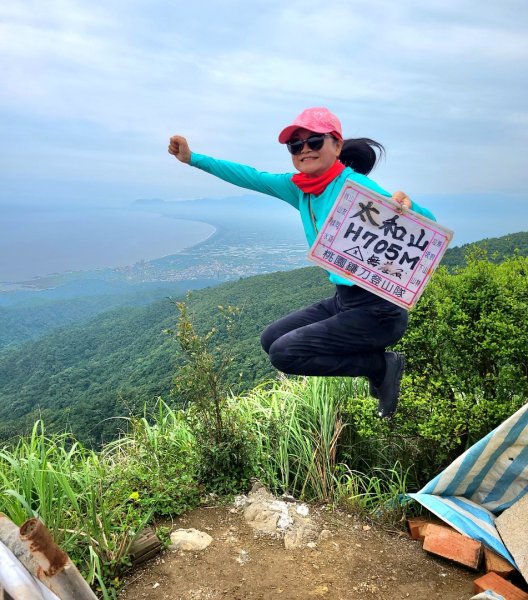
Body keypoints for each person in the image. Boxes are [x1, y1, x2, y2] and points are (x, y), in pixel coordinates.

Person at [168, 107, 436, 418]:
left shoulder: (357, 189)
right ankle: (375, 365)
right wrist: (192, 158)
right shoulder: (300, 188)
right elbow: (250, 176)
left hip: (379, 311)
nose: (304, 149)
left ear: (336, 145)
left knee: (285, 353)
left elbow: (428, 228)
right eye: (296, 145)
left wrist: (407, 204)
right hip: (346, 301)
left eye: (314, 142)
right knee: (270, 340)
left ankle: (381, 366)